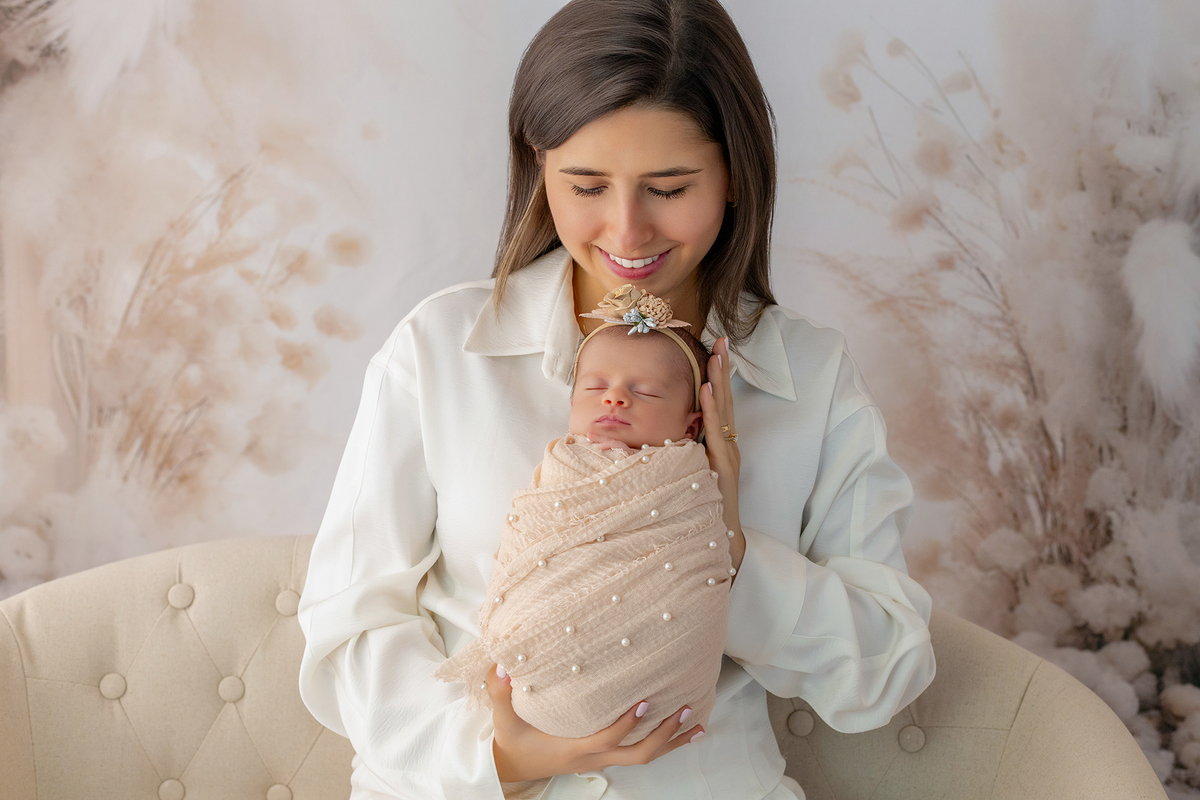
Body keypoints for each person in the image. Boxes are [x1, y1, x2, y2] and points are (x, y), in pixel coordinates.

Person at [297, 1, 937, 798]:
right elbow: (348, 629)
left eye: (668, 187)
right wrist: (502, 759)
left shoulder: (809, 374)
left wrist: (724, 552)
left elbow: (885, 675)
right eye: (587, 185)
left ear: (735, 173)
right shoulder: (438, 353)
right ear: (540, 167)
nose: (628, 232)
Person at [433, 287, 732, 750]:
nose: (614, 398)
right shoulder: (563, 467)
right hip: (516, 719)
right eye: (595, 388)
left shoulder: (684, 481)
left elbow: (696, 557)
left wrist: (725, 503)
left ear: (691, 428)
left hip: (675, 715)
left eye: (645, 391)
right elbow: (530, 531)